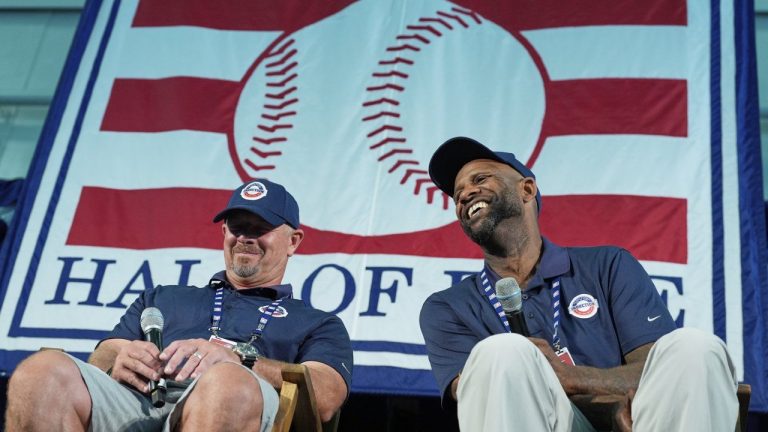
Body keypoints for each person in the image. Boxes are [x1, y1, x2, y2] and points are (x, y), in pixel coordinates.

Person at [419, 136, 739, 432]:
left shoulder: (607, 265)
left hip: (630, 423)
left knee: (695, 349)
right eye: (457, 194)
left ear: (527, 190)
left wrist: (574, 377)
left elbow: (656, 371)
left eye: (479, 179)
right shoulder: (448, 307)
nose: (465, 194)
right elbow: (477, 395)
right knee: (503, 352)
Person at [5, 179, 353, 431]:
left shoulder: (317, 322)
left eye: (260, 227)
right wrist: (122, 358)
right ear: (224, 233)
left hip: (231, 402)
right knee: (41, 371)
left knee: (225, 383)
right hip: (140, 401)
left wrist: (240, 361)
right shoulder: (163, 297)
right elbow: (102, 358)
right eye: (237, 226)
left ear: (293, 241)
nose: (245, 236)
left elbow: (325, 397)